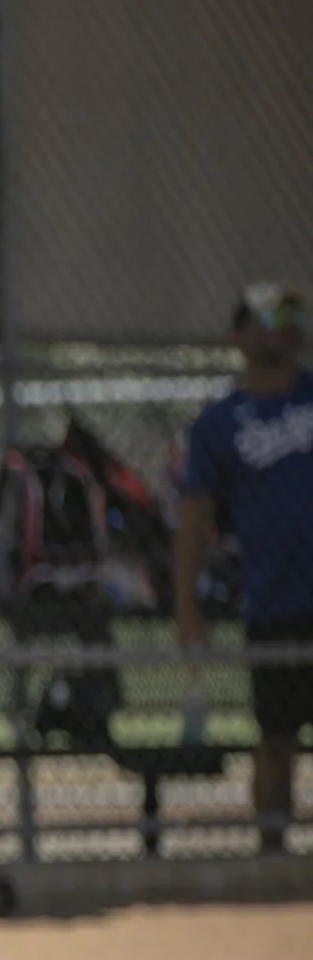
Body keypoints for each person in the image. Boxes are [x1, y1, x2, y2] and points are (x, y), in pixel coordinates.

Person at [175, 282, 313, 854]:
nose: (277, 328)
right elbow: (193, 517)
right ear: (238, 336)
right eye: (263, 318)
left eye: (288, 315)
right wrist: (186, 605)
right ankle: (273, 855)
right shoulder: (219, 423)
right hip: (273, 603)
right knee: (276, 737)